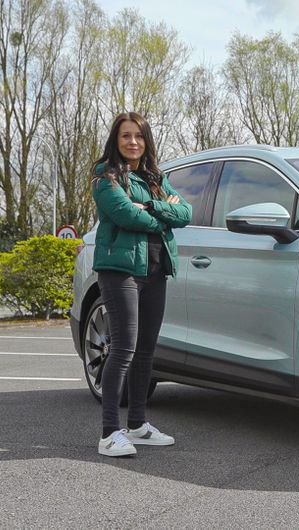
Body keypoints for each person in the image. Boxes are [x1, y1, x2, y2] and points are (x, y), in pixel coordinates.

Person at [90, 112, 192, 457]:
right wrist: (163, 215)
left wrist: (150, 204)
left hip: (155, 270)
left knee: (146, 351)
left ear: (146, 141)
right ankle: (108, 433)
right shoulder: (106, 176)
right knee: (123, 350)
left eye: (139, 136)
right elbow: (124, 214)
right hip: (120, 271)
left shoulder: (156, 178)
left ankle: (136, 425)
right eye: (125, 136)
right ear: (115, 141)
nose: (132, 142)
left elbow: (187, 214)